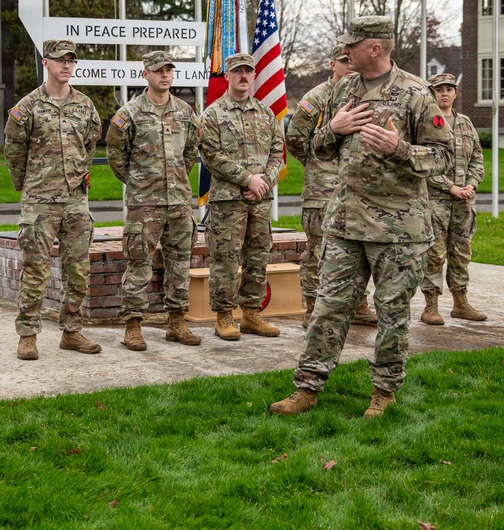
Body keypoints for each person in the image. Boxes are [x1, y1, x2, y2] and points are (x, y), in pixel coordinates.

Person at [269, 17, 453, 419]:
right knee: (328, 308)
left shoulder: (416, 93)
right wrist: (331, 130)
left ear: (374, 49)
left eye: (351, 45)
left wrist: (400, 148)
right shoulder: (343, 89)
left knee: (391, 313)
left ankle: (384, 392)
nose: (344, 51)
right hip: (346, 223)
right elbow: (320, 151)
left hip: (398, 230)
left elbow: (444, 158)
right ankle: (307, 388)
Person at [4, 39, 103, 360]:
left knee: (78, 268)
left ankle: (72, 331)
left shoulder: (85, 106)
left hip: (76, 201)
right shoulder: (27, 107)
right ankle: (28, 334)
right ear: (45, 62)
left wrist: (77, 175)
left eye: (71, 61)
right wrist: (30, 186)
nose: (66, 66)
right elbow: (14, 152)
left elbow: (90, 145)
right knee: (36, 269)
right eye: (60, 60)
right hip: (40, 201)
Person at [106, 50, 202, 351]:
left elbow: (190, 152)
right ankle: (133, 325)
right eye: (159, 70)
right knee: (139, 263)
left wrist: (175, 179)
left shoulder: (185, 112)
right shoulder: (129, 114)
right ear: (145, 74)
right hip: (144, 203)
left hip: (179, 202)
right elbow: (116, 156)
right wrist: (139, 181)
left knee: (179, 262)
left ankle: (176, 322)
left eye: (169, 70)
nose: (165, 75)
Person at [286, 44, 377, 329]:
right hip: (321, 191)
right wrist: (318, 162)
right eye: (343, 61)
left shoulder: (364, 96)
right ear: (331, 64)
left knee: (358, 249)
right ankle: (312, 307)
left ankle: (359, 304)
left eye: (352, 61)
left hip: (357, 189)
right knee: (317, 251)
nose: (349, 66)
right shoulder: (317, 98)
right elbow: (295, 139)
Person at [199, 52, 284, 341]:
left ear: (254, 74)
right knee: (225, 258)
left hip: (260, 200)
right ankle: (223, 316)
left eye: (248, 71)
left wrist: (265, 181)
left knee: (258, 256)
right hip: (228, 201)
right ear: (227, 76)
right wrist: (247, 179)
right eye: (237, 71)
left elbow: (277, 153)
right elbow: (211, 155)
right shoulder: (213, 114)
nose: (243, 76)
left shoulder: (266, 113)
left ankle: (251, 314)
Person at [420, 72, 487, 325]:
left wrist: (471, 184)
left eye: (449, 89)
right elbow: (424, 163)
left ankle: (460, 303)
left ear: (456, 93)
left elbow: (477, 159)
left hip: (464, 201)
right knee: (435, 254)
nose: (445, 93)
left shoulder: (466, 123)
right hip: (436, 200)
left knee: (461, 252)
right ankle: (431, 306)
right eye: (439, 89)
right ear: (432, 93)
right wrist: (451, 188)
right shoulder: (427, 122)